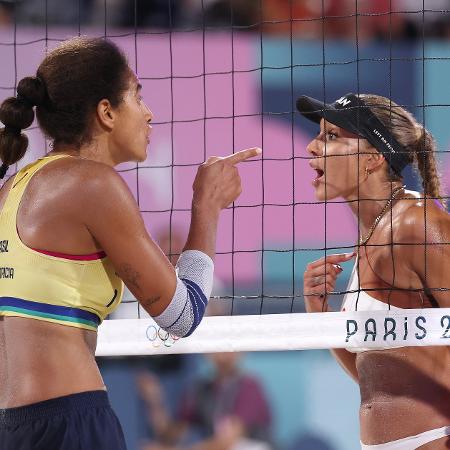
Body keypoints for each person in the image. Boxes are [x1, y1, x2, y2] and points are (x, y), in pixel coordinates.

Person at [0, 36, 260, 450]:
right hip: (71, 421)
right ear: (106, 112)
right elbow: (182, 315)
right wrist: (206, 207)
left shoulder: (12, 187)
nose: (149, 113)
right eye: (137, 97)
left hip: (13, 424)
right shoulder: (94, 184)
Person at [298, 93, 450, 449]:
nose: (311, 147)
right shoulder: (372, 233)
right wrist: (319, 314)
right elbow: (375, 382)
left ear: (372, 158)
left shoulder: (419, 226)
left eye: (331, 136)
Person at [137, 352, 273, 450]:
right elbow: (171, 434)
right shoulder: (201, 389)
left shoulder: (250, 387)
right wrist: (155, 401)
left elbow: (228, 441)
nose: (225, 353)